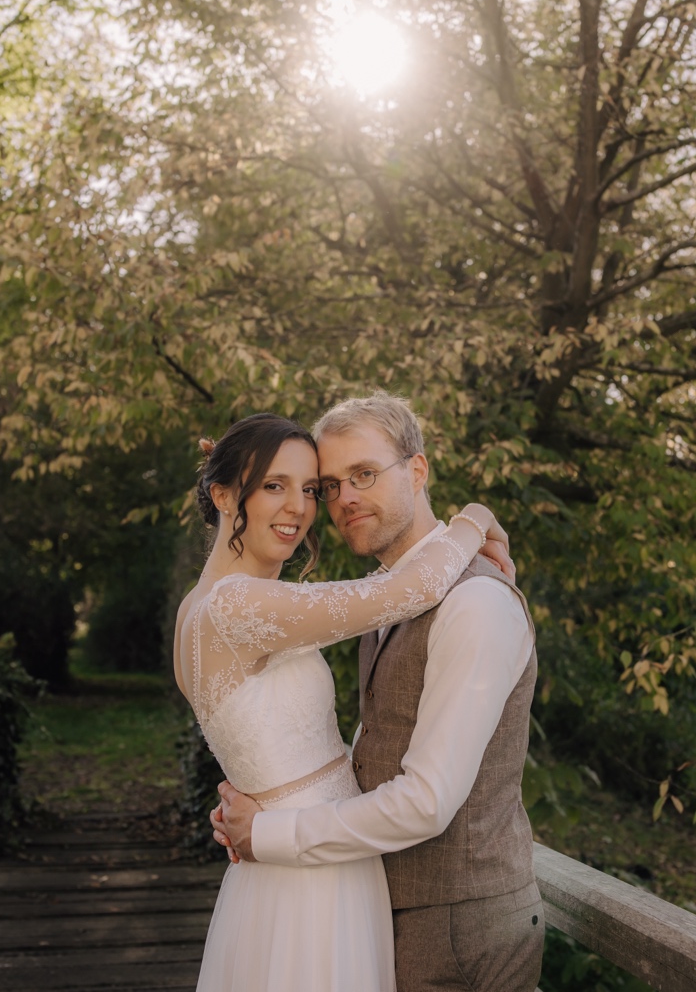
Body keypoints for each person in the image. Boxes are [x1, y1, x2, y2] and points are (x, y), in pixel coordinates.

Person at [211, 393, 545, 992]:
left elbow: (425, 801)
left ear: (417, 471)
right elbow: (381, 736)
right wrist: (278, 790)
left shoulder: (475, 602)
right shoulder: (385, 596)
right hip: (382, 910)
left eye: (363, 474)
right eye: (330, 485)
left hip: (457, 930)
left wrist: (271, 831)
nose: (344, 499)